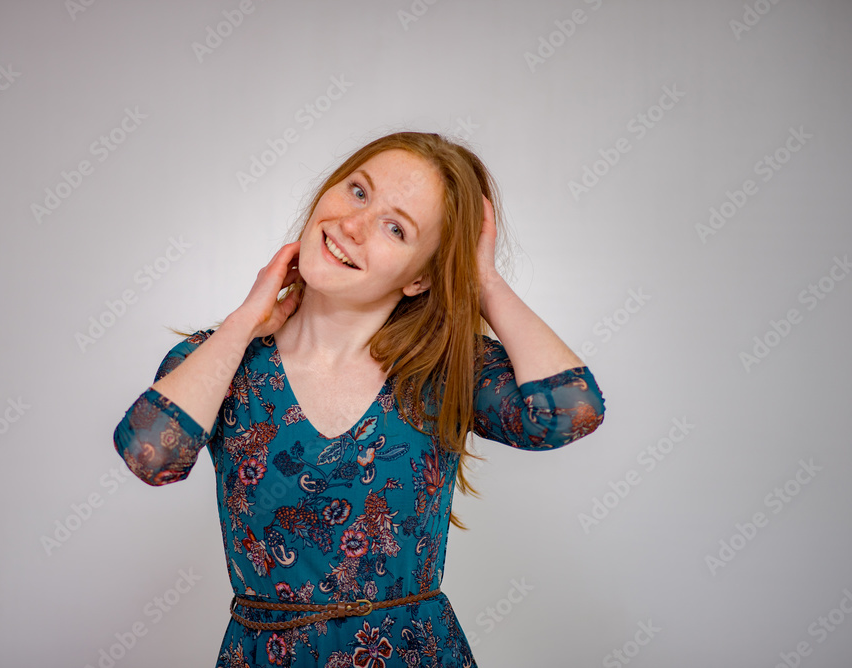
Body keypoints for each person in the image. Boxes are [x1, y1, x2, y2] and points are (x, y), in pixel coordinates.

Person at [113, 131, 606, 667]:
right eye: (358, 191)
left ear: (420, 277)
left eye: (396, 228)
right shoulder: (225, 360)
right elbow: (150, 454)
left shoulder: (444, 368)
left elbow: (570, 411)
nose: (352, 225)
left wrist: (483, 279)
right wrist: (243, 324)